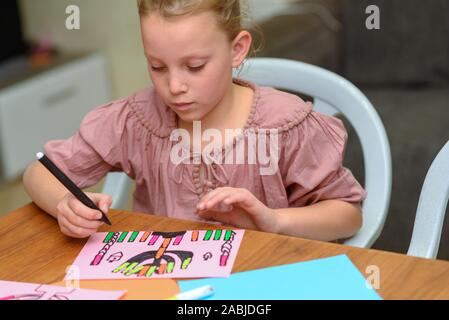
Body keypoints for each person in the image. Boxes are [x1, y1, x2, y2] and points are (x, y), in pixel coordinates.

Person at [23, 0, 366, 242]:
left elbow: (347, 215)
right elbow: (40, 172)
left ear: (237, 49)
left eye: (195, 66)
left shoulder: (284, 125)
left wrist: (274, 220)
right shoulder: (136, 120)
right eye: (157, 66)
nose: (174, 87)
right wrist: (64, 205)